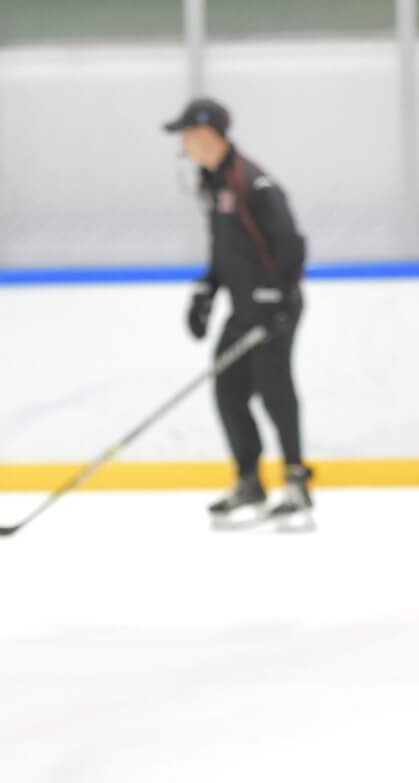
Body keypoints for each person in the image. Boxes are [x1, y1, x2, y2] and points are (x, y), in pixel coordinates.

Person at [165, 97, 311, 531]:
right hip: (243, 308)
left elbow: (291, 241)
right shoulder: (212, 181)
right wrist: (207, 289)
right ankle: (249, 482)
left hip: (274, 306)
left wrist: (278, 294)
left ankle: (296, 485)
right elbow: (225, 249)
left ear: (207, 134)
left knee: (273, 389)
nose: (184, 144)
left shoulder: (253, 182)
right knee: (228, 390)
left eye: (188, 135)